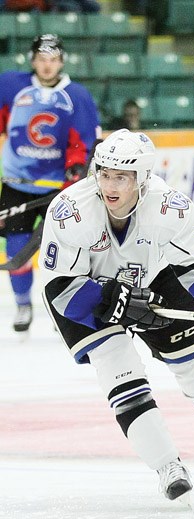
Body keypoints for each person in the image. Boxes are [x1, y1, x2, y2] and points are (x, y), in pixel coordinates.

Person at [38, 129, 194, 504]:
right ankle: (167, 466)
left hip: (152, 278)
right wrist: (111, 298)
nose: (110, 184)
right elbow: (61, 290)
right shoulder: (71, 211)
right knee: (118, 368)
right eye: (104, 173)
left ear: (142, 178)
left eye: (121, 177)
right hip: (83, 292)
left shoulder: (170, 208)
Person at [0, 34, 100, 333]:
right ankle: (22, 303)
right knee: (16, 249)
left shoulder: (77, 95)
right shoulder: (11, 85)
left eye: (53, 60)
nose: (47, 66)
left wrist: (75, 171)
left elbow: (84, 141)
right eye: (42, 60)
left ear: (61, 61)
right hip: (18, 183)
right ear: (33, 61)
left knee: (66, 252)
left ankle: (66, 306)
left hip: (59, 190)